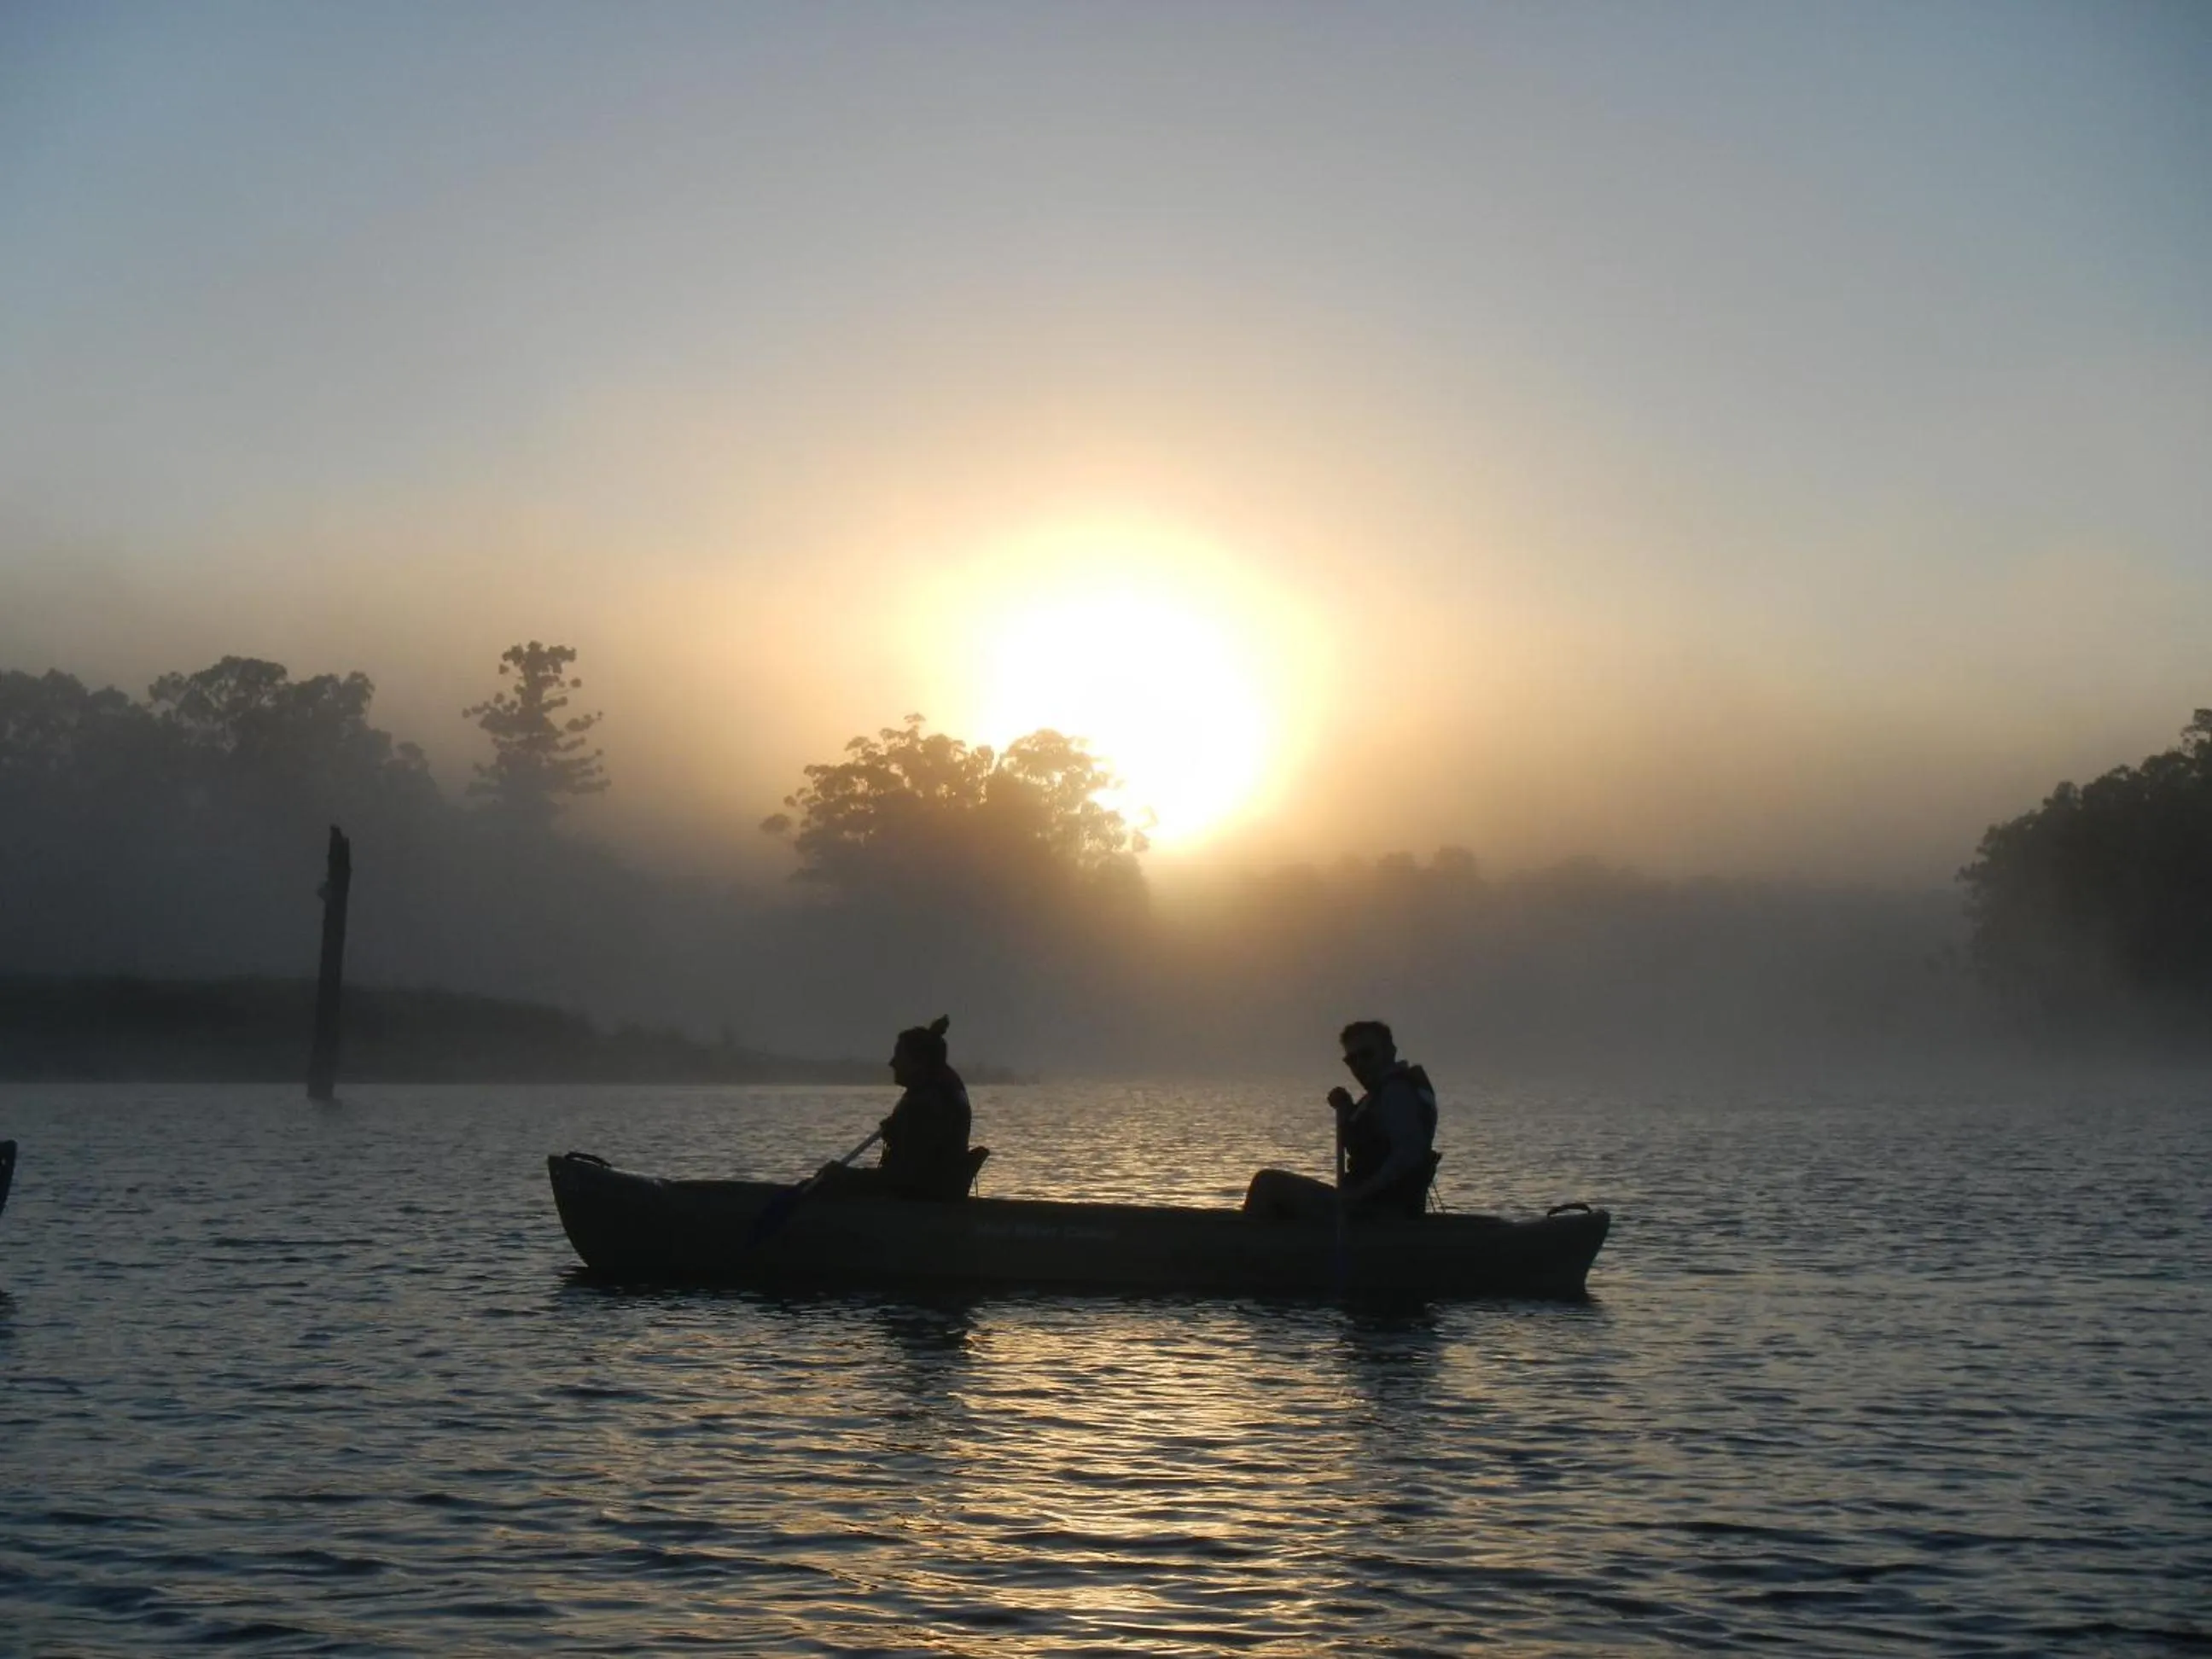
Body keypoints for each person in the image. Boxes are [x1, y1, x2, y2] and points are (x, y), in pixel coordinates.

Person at [1243, 1020, 1439, 1222]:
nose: (1360, 1064)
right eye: (1352, 1059)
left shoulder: (1396, 1093)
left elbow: (1407, 1154)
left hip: (1381, 1211)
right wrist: (1346, 1109)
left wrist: (1358, 1194)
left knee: (1267, 1183)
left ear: (1390, 1052)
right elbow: (1370, 1140)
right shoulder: (1378, 1095)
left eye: (1367, 1054)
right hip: (1368, 1204)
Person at [819, 1016, 981, 1201]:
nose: (892, 1063)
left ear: (918, 1062)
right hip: (935, 1193)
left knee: (836, 1181)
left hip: (924, 1202)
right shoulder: (937, 1089)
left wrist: (845, 1175)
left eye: (899, 1056)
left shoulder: (925, 1106)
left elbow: (904, 1178)